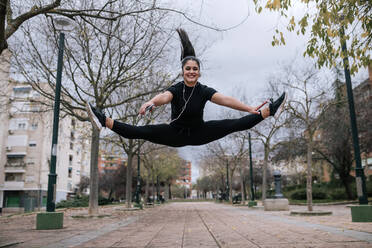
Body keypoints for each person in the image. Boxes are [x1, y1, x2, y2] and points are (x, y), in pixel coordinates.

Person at [86, 28, 286, 148]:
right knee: (141, 131)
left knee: (233, 124)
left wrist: (250, 109)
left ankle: (270, 111)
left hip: (200, 132)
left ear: (199, 72)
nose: (191, 71)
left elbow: (226, 100)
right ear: (183, 71)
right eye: (188, 69)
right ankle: (104, 120)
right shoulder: (176, 88)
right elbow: (164, 97)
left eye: (195, 69)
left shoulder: (204, 90)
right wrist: (151, 102)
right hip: (175, 133)